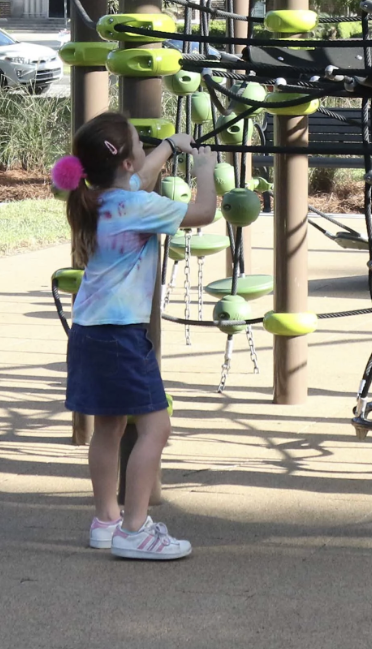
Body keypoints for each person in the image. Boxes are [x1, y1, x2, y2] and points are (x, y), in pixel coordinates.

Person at [58, 112, 216, 561]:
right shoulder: (138, 207)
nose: (146, 154)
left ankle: (107, 521)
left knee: (108, 426)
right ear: (125, 162)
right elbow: (203, 212)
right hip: (122, 336)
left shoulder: (104, 197)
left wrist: (171, 144)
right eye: (140, 145)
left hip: (90, 330)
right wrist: (205, 171)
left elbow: (142, 175)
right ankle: (135, 530)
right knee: (157, 428)